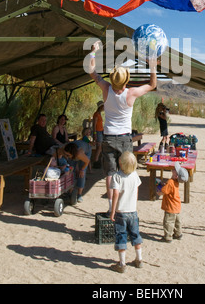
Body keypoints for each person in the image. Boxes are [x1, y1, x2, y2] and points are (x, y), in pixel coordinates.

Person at [87, 40, 157, 213]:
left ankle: (112, 206)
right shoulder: (131, 93)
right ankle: (127, 206)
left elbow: (91, 71)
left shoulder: (106, 89)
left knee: (110, 173)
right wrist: (152, 65)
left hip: (108, 137)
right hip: (125, 138)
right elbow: (152, 84)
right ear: (126, 81)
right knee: (128, 172)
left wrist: (94, 51)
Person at [110, 151, 143, 273]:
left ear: (120, 163)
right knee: (135, 235)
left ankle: (122, 263)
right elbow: (137, 190)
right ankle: (139, 259)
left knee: (121, 236)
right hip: (132, 210)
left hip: (121, 212)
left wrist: (112, 211)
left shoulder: (117, 176)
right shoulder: (135, 175)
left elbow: (115, 195)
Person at [157, 162, 189, 243]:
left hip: (170, 207)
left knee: (168, 222)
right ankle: (178, 234)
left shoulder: (170, 182)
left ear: (176, 175)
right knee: (177, 221)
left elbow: (163, 191)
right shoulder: (175, 182)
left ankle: (168, 236)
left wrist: (159, 192)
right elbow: (169, 189)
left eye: (175, 170)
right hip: (177, 206)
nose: (173, 169)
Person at [92, 100, 104, 168]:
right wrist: (94, 133)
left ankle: (97, 161)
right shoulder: (96, 114)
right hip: (98, 132)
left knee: (99, 147)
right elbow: (94, 125)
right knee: (99, 147)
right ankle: (95, 161)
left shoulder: (99, 114)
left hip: (100, 131)